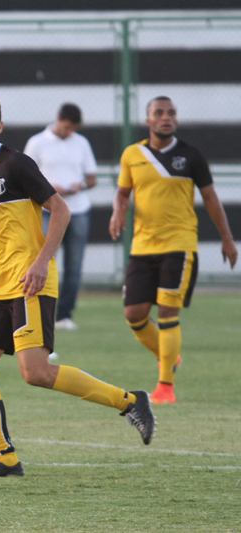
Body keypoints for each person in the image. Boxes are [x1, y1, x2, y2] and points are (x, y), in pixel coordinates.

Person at [0, 93, 154, 478]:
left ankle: (130, 401)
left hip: (30, 281)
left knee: (35, 372)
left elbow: (61, 210)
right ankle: (4, 458)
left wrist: (41, 262)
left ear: (0, 126)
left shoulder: (16, 163)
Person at [109, 96, 237, 405]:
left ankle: (165, 385)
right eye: (159, 113)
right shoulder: (133, 154)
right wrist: (117, 212)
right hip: (142, 246)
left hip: (179, 245)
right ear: (148, 120)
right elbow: (122, 193)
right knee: (134, 315)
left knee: (167, 313)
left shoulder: (191, 156)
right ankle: (168, 356)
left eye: (171, 113)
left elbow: (210, 198)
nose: (166, 117)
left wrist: (227, 238)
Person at [24, 103, 97, 331]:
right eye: (66, 127)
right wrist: (47, 187)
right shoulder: (37, 143)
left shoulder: (81, 143)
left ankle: (64, 315)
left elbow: (92, 178)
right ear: (58, 119)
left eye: (72, 129)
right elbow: (25, 176)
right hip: (48, 212)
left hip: (78, 211)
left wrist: (80, 185)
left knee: (74, 266)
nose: (69, 132)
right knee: (42, 261)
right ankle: (39, 311)